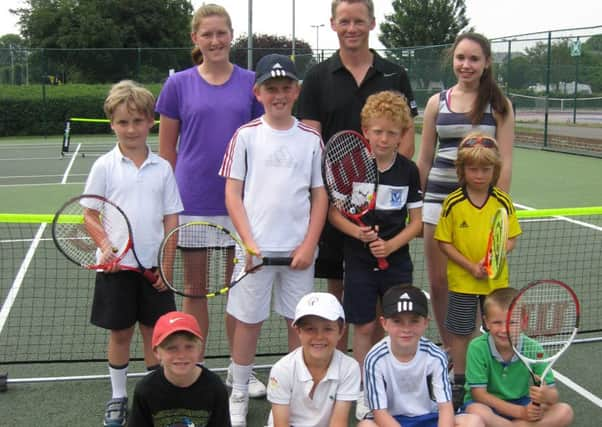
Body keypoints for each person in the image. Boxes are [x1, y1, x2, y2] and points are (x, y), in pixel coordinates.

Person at [155, 4, 266, 396]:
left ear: (232, 35)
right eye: (208, 34)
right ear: (195, 39)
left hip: (241, 204)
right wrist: (165, 204)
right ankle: (197, 369)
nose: (215, 40)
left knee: (239, 292)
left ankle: (240, 371)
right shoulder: (178, 85)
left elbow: (261, 143)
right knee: (196, 289)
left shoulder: (253, 83)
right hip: (193, 202)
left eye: (222, 33)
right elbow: (167, 152)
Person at [297, 0, 419, 355]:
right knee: (340, 284)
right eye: (345, 21)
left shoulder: (395, 73)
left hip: (387, 206)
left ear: (372, 23)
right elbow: (312, 139)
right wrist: (336, 191)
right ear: (333, 24)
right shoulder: (318, 76)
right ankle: (340, 361)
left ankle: (377, 364)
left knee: (383, 295)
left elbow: (407, 131)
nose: (352, 28)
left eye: (359, 21)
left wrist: (386, 176)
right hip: (338, 200)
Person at [219, 53, 329, 427]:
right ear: (258, 92)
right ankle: (238, 389)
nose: (278, 95)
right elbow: (233, 195)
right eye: (271, 88)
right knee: (247, 323)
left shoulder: (312, 138)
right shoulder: (245, 136)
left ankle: (289, 395)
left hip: (299, 253)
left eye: (286, 88)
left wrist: (309, 244)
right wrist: (249, 244)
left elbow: (320, 196)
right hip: (253, 253)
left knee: (297, 323)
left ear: (296, 92)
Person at [84, 80, 184, 427]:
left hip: (155, 269)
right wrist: (104, 247)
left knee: (155, 334)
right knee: (120, 334)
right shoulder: (104, 167)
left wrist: (166, 267)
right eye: (123, 122)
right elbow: (89, 214)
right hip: (116, 270)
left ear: (151, 123)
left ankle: (156, 394)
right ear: (112, 124)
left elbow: (172, 218)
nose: (130, 129)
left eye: (138, 121)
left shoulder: (163, 169)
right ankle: (118, 397)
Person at [416, 32, 515, 356]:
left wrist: (497, 209)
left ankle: (479, 353)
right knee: (440, 281)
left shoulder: (499, 106)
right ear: (453, 60)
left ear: (486, 63)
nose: (466, 65)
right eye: (461, 58)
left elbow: (506, 161)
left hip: (481, 208)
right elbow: (426, 158)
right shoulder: (436, 103)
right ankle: (451, 348)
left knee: (481, 281)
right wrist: (416, 204)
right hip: (436, 204)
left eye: (474, 59)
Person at [328, 90, 422, 419]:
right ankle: (364, 390)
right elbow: (334, 213)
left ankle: (387, 383)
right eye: (377, 131)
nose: (384, 138)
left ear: (402, 135)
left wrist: (392, 246)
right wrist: (358, 233)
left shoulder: (408, 171)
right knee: (365, 326)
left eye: (392, 132)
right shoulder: (350, 166)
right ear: (365, 130)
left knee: (393, 323)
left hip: (396, 261)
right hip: (358, 261)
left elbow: (418, 223)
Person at [434, 134, 522, 409]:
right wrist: (471, 266)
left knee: (497, 331)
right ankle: (460, 381)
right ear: (462, 170)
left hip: (495, 285)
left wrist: (495, 259)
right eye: (473, 169)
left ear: (494, 171)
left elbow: (511, 238)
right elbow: (444, 242)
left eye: (486, 169)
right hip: (462, 282)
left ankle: (490, 380)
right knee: (461, 333)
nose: (480, 175)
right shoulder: (453, 202)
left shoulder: (503, 202)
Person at [359, 285, 484, 427]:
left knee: (474, 422)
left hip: (429, 418)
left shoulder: (436, 357)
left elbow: (445, 408)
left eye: (414, 321)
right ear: (384, 323)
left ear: (425, 322)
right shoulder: (374, 359)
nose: (406, 329)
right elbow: (380, 413)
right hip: (392, 420)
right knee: (366, 426)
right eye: (397, 321)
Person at [463, 288, 574, 426]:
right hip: (488, 405)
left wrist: (546, 395)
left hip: (521, 402)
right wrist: (521, 413)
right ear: (486, 322)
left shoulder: (533, 348)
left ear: (524, 322)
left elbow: (553, 395)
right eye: (497, 322)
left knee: (564, 411)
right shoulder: (477, 348)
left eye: (512, 322)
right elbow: (479, 395)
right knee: (476, 411)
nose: (504, 330)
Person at [266, 292, 360, 427]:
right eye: (310, 329)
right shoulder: (282, 369)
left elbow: (338, 423)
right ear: (298, 331)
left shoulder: (350, 368)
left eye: (328, 329)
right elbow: (281, 424)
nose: (319, 337)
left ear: (341, 331)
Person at [129, 311, 231, 426]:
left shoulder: (215, 387)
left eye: (189, 347)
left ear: (200, 349)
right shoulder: (145, 389)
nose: (181, 355)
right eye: (171, 348)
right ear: (157, 352)